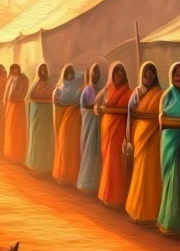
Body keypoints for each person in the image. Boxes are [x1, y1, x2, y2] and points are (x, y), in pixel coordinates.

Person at [124, 62, 164, 225]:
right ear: (142, 76)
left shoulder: (160, 94)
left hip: (153, 136)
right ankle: (136, 210)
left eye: (151, 74)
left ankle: (151, 212)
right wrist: (128, 137)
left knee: (152, 173)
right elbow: (130, 113)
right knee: (139, 171)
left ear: (155, 76)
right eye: (146, 74)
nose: (149, 77)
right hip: (139, 134)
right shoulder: (137, 92)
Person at [157, 62, 180, 236]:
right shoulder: (166, 96)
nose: (179, 77)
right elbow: (162, 122)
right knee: (170, 178)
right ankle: (168, 222)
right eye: (176, 74)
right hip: (169, 142)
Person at [94, 61, 130, 209]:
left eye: (122, 71)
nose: (119, 74)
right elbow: (95, 107)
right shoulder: (106, 91)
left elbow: (130, 110)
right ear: (111, 74)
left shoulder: (129, 91)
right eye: (117, 71)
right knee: (107, 161)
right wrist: (100, 109)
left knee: (116, 162)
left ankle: (117, 197)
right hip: (106, 129)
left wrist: (107, 110)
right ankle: (106, 195)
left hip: (120, 130)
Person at [52, 65, 83, 185]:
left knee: (73, 147)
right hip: (63, 120)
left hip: (74, 121)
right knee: (64, 145)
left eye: (71, 73)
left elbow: (78, 101)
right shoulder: (59, 89)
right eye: (67, 73)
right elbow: (58, 102)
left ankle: (71, 175)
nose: (70, 75)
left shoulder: (78, 88)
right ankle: (62, 174)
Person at [76, 63, 104, 193]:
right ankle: (85, 183)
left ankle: (92, 183)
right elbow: (91, 107)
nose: (96, 75)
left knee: (94, 152)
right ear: (90, 74)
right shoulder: (87, 91)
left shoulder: (95, 90)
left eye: (98, 73)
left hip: (95, 126)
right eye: (94, 72)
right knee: (88, 151)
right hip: (88, 126)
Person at [24, 63, 56, 176]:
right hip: (37, 116)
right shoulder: (35, 84)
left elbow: (53, 99)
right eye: (42, 69)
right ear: (39, 71)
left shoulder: (50, 85)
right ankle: (34, 166)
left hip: (47, 118)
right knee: (37, 140)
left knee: (46, 141)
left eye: (46, 69)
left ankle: (45, 167)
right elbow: (30, 98)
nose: (44, 71)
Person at [3, 64, 29, 163]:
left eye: (16, 69)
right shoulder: (10, 78)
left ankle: (18, 153)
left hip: (19, 106)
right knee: (10, 128)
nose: (14, 71)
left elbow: (23, 93)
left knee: (17, 129)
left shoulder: (24, 79)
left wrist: (16, 98)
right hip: (10, 106)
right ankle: (10, 152)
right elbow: (7, 94)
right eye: (13, 70)